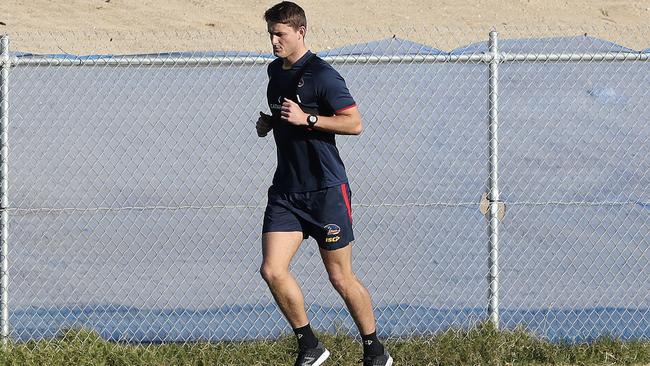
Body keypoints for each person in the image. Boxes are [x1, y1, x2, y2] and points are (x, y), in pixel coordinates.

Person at [256, 2, 393, 366]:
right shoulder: (275, 71)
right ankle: (310, 347)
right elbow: (288, 114)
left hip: (327, 192)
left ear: (300, 31)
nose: (273, 41)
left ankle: (374, 350)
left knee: (340, 277)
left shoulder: (324, 75)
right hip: (286, 193)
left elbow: (354, 124)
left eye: (280, 34)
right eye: (270, 33)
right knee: (272, 270)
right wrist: (272, 123)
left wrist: (308, 118)